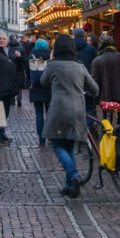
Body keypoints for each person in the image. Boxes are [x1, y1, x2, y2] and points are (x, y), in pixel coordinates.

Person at [42, 34, 99, 198]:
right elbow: (94, 89)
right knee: (69, 146)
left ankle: (73, 176)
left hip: (59, 110)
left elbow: (44, 81)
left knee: (57, 145)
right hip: (78, 110)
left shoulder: (53, 65)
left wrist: (50, 61)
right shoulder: (79, 66)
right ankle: (70, 186)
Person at [92, 37, 120, 126]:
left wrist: (95, 99)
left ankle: (108, 137)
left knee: (106, 122)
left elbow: (95, 81)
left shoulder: (97, 61)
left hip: (106, 96)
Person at [28, 38, 52, 147]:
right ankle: (51, 136)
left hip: (36, 89)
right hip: (49, 88)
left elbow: (28, 74)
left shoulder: (31, 56)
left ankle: (41, 140)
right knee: (49, 114)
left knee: (39, 114)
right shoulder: (51, 57)